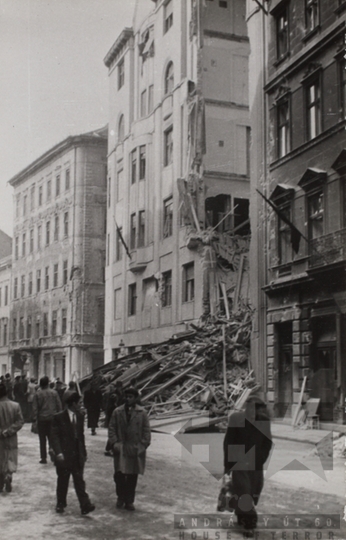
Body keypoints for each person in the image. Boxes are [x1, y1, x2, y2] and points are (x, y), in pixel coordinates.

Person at [223, 392, 272, 537]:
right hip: (239, 463)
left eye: (256, 410)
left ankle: (240, 514)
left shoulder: (264, 421)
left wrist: (261, 458)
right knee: (244, 491)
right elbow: (228, 442)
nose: (253, 412)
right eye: (250, 409)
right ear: (246, 408)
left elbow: (267, 443)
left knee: (254, 491)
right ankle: (249, 524)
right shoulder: (236, 419)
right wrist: (228, 465)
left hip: (256, 464)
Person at [50, 391, 95, 515]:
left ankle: (85, 505)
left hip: (77, 454)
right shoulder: (58, 417)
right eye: (79, 403)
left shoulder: (80, 416)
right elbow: (54, 437)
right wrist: (58, 452)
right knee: (63, 480)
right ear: (73, 404)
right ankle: (60, 504)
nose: (81, 405)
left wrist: (84, 452)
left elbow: (81, 436)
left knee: (79, 480)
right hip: (64, 455)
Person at [108, 387, 151, 511]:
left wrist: (143, 445)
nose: (128, 399)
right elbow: (112, 427)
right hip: (121, 446)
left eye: (130, 397)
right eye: (126, 396)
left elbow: (146, 430)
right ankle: (120, 497)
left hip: (134, 447)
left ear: (135, 398)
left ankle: (129, 501)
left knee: (132, 476)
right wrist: (114, 442)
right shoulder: (117, 411)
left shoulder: (142, 413)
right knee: (119, 474)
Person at [0, 382, 24, 493]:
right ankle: (9, 475)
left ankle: (0, 482)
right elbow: (20, 421)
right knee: (11, 456)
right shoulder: (15, 405)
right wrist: (9, 431)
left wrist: (2, 431)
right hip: (11, 437)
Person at [32, 376, 62, 464]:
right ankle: (52, 450)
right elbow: (59, 405)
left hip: (42, 419)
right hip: (53, 418)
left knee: (42, 439)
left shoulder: (38, 394)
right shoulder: (54, 393)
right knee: (53, 437)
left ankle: (43, 458)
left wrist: (34, 419)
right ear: (48, 383)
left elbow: (35, 408)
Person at [104, 381, 124, 457]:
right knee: (113, 433)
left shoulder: (121, 393)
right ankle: (110, 449)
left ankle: (110, 449)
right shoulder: (113, 395)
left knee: (117, 433)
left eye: (120, 387)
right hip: (113, 416)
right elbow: (109, 407)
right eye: (119, 387)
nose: (120, 388)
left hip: (119, 415)